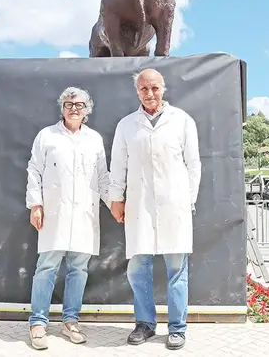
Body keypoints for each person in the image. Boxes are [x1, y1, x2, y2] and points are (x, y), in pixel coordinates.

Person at [107, 68, 201, 351]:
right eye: (144, 89)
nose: (150, 94)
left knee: (176, 269)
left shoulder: (182, 120)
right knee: (138, 268)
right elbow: (118, 165)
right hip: (139, 205)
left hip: (175, 205)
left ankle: (177, 328)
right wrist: (116, 199)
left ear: (164, 88)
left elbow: (193, 165)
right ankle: (145, 324)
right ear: (137, 92)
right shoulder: (126, 125)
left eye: (154, 88)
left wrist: (189, 199)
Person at [24, 86, 111, 350]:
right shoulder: (47, 136)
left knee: (78, 269)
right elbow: (34, 170)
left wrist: (116, 204)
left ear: (87, 110)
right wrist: (35, 205)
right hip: (54, 213)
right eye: (69, 104)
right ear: (62, 107)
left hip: (84, 213)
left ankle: (70, 321)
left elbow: (103, 177)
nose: (74, 108)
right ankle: (38, 323)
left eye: (79, 105)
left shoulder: (94, 139)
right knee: (47, 267)